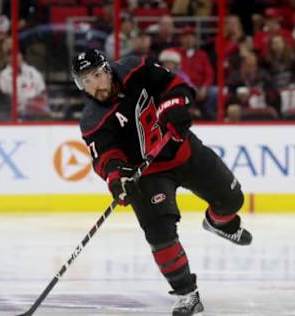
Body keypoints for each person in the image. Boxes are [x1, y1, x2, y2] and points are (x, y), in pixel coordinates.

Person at [72, 49, 252, 316]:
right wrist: (117, 178)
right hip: (146, 176)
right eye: (86, 81)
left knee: (232, 200)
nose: (94, 85)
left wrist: (173, 107)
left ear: (108, 70)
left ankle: (218, 222)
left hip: (183, 151)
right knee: (160, 234)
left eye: (97, 75)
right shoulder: (91, 119)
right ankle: (186, 294)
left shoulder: (135, 68)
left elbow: (172, 84)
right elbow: (106, 157)